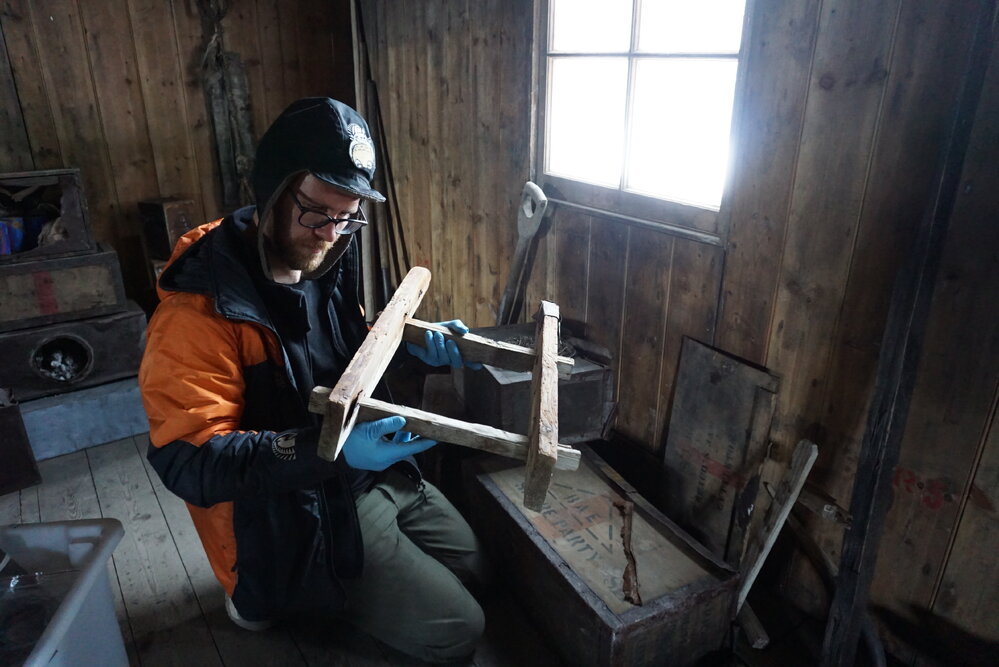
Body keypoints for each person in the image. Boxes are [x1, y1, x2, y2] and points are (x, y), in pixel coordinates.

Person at [138, 97, 487, 664]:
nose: (330, 232)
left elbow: (342, 342)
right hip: (282, 509)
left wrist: (412, 340)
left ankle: (359, 574)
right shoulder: (197, 314)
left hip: (353, 473)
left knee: (477, 566)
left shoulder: (323, 255)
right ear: (273, 191)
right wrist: (335, 453)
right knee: (457, 629)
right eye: (316, 212)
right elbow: (191, 460)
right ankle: (268, 595)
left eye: (347, 215)